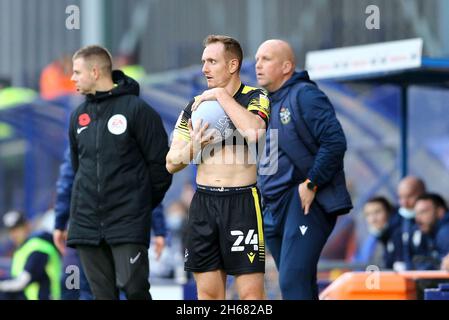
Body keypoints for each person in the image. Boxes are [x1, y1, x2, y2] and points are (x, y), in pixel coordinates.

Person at [166, 35, 270, 300]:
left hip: (242, 203)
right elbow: (171, 162)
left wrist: (222, 96)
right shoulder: (194, 106)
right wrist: (195, 146)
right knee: (209, 296)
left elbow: (255, 132)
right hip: (204, 205)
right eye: (204, 62)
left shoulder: (256, 97)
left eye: (212, 61)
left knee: (251, 296)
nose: (205, 68)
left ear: (233, 65)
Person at [67, 45, 172, 300]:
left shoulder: (138, 110)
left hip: (127, 221)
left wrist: (139, 204)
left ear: (94, 72)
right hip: (87, 225)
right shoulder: (78, 115)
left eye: (77, 72)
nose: (72, 78)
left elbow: (161, 167)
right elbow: (77, 168)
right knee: (101, 295)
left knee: (134, 289)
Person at [255, 39, 353, 300]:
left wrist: (312, 182)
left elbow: (335, 142)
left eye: (266, 59)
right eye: (256, 59)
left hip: (304, 202)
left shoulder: (305, 95)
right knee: (298, 283)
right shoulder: (268, 103)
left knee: (292, 280)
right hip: (274, 207)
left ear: (287, 66)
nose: (258, 65)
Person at [53, 148, 167, 299]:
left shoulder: (82, 134)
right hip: (124, 229)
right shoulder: (132, 134)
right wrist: (159, 229)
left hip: (90, 228)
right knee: (130, 287)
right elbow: (146, 184)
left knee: (93, 291)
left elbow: (67, 182)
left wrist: (60, 223)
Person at [0, 211, 61, 300]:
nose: (14, 234)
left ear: (27, 226)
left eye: (17, 229)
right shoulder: (22, 249)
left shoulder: (38, 247)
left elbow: (22, 282)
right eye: (11, 230)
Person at [354, 196, 402, 269]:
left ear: (389, 212)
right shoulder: (366, 239)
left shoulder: (399, 236)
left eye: (377, 212)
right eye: (368, 214)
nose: (373, 219)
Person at [410, 193, 449, 270]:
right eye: (416, 213)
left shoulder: (445, 233)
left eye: (423, 212)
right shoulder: (426, 232)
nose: (418, 219)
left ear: (440, 212)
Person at [396, 176, 426, 270]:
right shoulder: (400, 221)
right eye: (401, 197)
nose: (404, 203)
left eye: (409, 196)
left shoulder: (435, 222)